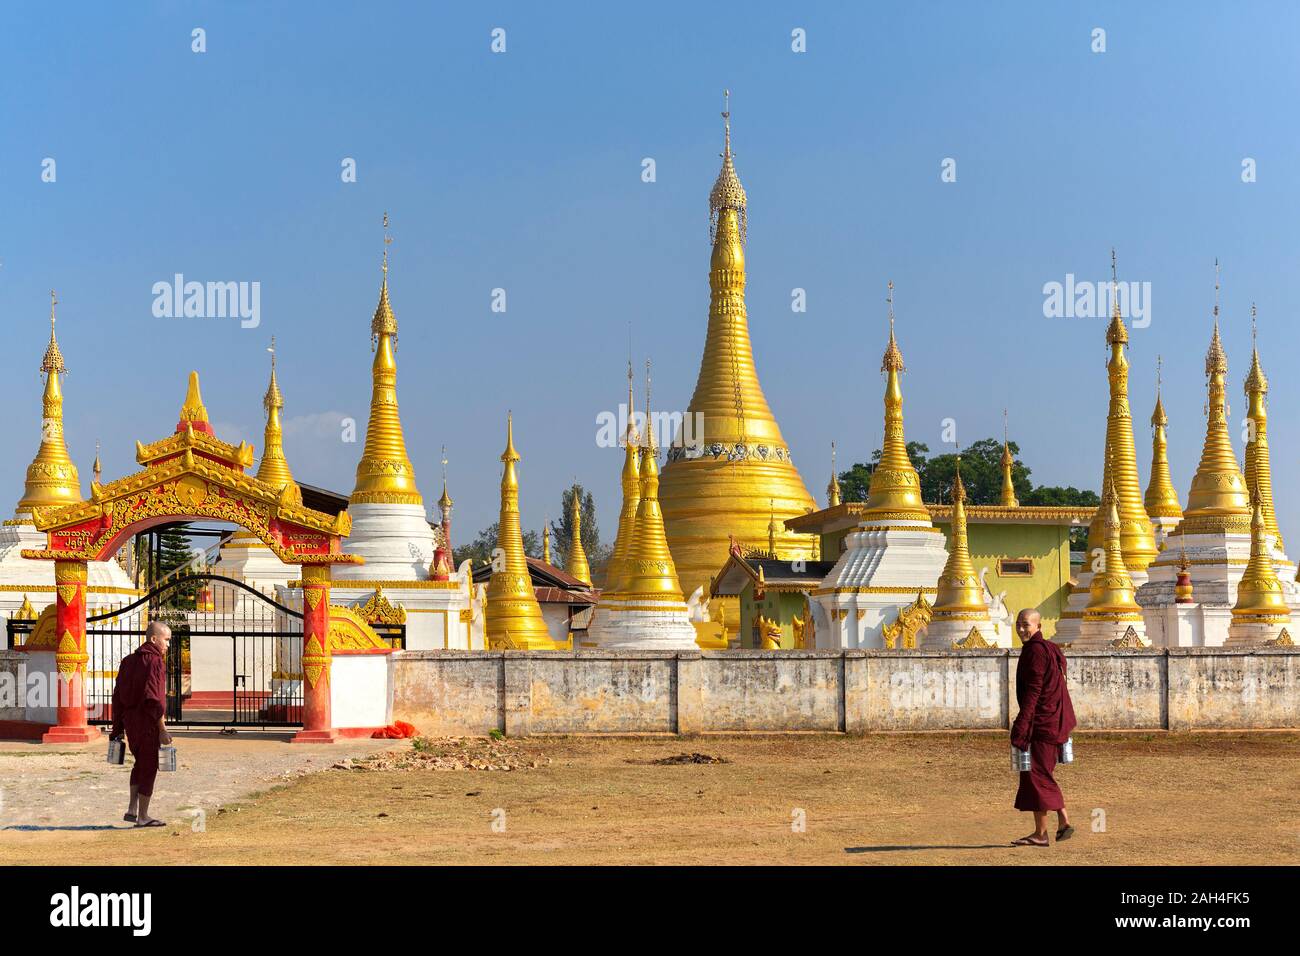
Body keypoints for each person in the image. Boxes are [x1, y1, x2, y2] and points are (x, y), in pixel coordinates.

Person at [1009, 609, 1076, 847]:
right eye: (1018, 624)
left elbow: (1035, 691)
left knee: (1038, 776)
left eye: (1026, 625)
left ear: (1037, 626)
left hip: (1041, 724)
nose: (1021, 629)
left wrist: (1022, 724)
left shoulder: (1036, 651)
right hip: (1052, 720)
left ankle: (1048, 830)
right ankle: (1051, 827)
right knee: (1038, 775)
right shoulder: (1049, 648)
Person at [110, 620, 173, 828]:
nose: (168, 645)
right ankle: (143, 816)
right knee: (149, 766)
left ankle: (132, 808)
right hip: (147, 723)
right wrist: (162, 729)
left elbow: (117, 697)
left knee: (139, 763)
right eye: (166, 640)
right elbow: (154, 699)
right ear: (154, 639)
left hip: (130, 723)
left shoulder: (128, 661)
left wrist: (117, 729)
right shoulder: (154, 662)